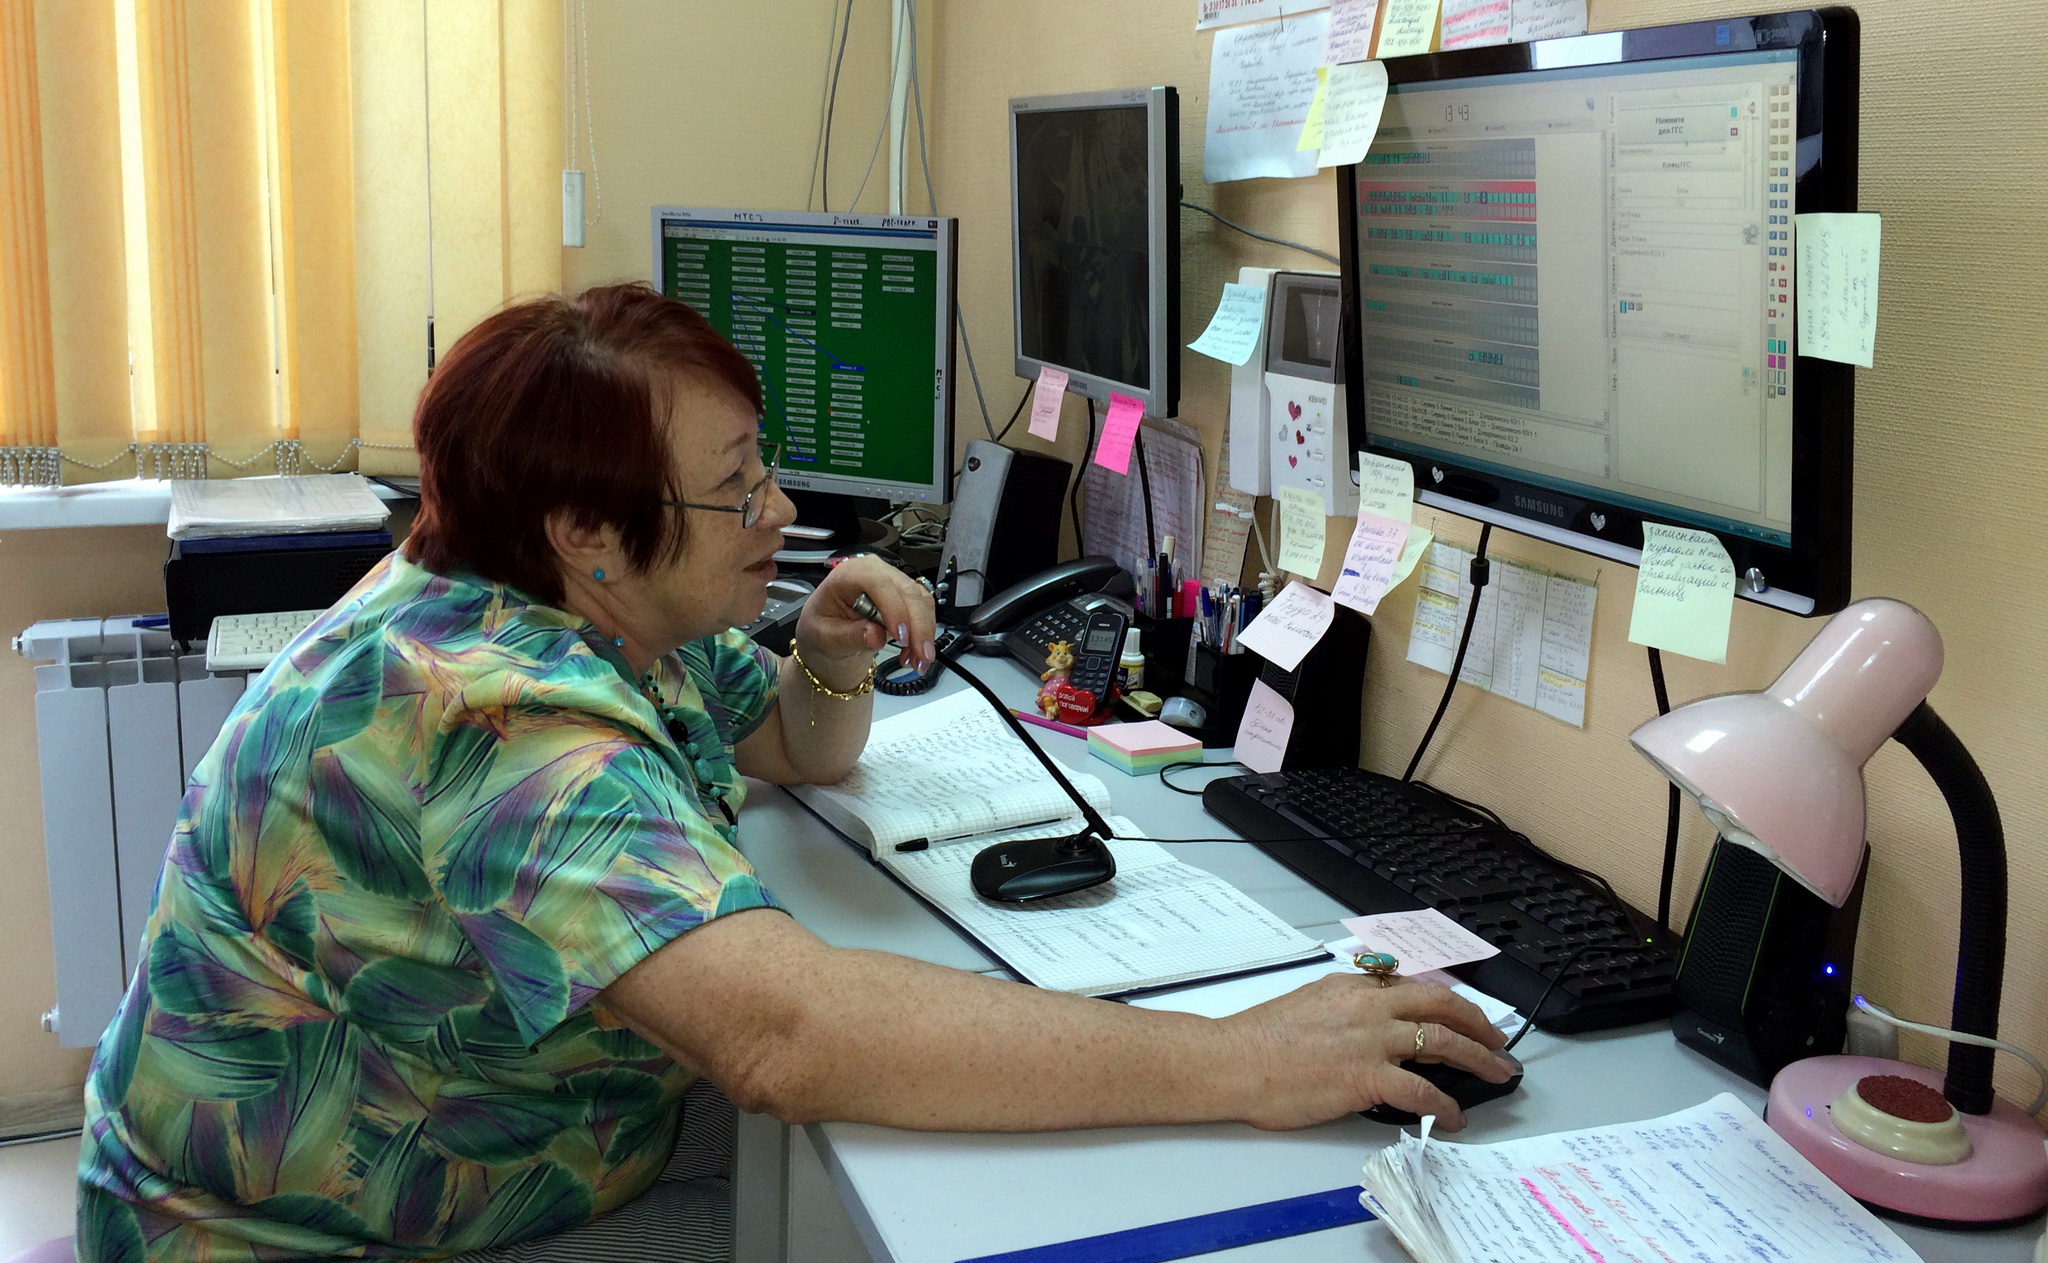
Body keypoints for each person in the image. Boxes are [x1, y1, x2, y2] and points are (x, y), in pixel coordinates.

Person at [75, 283, 1512, 1262]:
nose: (777, 511)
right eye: (736, 488)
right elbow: (784, 1039)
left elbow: (781, 741)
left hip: (493, 1144)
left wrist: (825, 655)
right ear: (589, 530)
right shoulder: (485, 715)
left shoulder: (562, 597)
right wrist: (1241, 1060)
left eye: (762, 468)